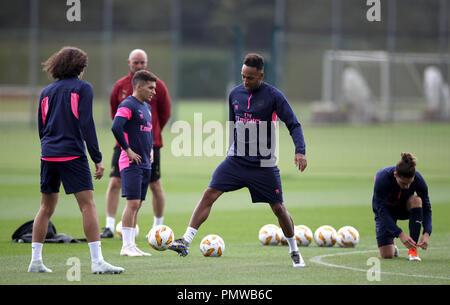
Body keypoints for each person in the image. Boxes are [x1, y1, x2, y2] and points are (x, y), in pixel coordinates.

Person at [168, 53, 308, 268]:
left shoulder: (274, 96)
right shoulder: (234, 94)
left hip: (264, 165)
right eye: (243, 76)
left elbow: (293, 124)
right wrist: (232, 150)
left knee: (279, 209)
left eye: (250, 78)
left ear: (261, 75)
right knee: (209, 194)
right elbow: (233, 125)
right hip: (236, 161)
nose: (245, 81)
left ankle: (294, 250)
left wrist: (300, 151)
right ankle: (185, 241)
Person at [29, 46, 124, 274]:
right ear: (80, 68)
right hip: (72, 153)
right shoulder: (83, 88)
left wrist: (49, 148)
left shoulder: (46, 92)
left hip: (48, 154)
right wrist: (97, 158)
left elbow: (42, 127)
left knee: (46, 207)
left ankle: (35, 261)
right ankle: (97, 261)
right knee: (87, 205)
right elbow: (85, 124)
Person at [101, 49, 171, 238]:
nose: (139, 65)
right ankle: (109, 226)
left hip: (150, 144)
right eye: (136, 62)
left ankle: (157, 227)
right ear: (129, 62)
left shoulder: (158, 86)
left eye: (142, 62)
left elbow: (165, 114)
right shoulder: (121, 87)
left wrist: (150, 136)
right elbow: (115, 116)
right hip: (125, 146)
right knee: (115, 182)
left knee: (154, 185)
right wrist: (129, 140)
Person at [111, 70, 157, 257]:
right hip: (131, 163)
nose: (154, 91)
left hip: (145, 162)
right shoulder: (128, 104)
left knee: (137, 204)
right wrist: (127, 149)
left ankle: (132, 246)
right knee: (132, 203)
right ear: (139, 86)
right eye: (150, 88)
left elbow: (148, 131)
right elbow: (116, 126)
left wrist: (151, 149)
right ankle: (126, 246)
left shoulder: (147, 107)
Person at [372, 152, 432, 261]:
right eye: (403, 184)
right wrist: (400, 234)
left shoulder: (419, 180)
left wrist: (427, 232)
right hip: (386, 212)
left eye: (410, 183)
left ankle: (413, 252)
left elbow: (427, 209)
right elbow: (382, 211)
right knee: (387, 255)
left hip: (405, 208)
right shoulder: (382, 178)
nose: (407, 187)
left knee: (417, 200)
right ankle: (392, 243)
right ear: (395, 175)